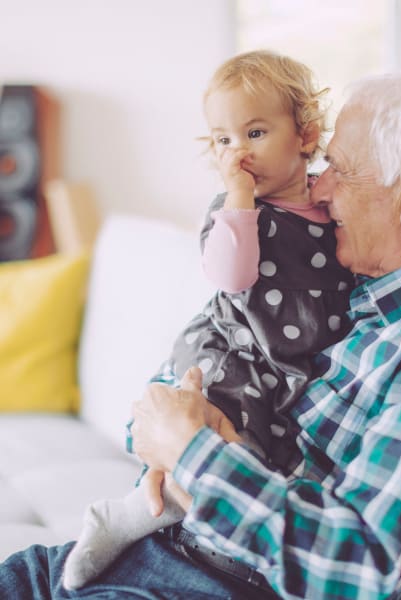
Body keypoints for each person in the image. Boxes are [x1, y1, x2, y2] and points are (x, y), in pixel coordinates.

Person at [0, 67, 401, 600]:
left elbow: (361, 570)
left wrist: (193, 452)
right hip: (156, 550)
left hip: (217, 582)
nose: (322, 187)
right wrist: (171, 426)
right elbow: (203, 354)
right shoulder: (354, 280)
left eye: (340, 167)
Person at [60, 50, 355, 590]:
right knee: (215, 429)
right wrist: (239, 200)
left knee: (271, 456)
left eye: (256, 132)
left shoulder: (331, 201)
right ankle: (129, 515)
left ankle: (178, 524)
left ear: (306, 135)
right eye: (223, 139)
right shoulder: (236, 210)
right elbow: (231, 276)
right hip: (236, 352)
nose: (237, 151)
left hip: (288, 367)